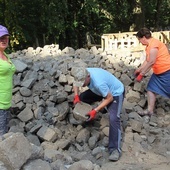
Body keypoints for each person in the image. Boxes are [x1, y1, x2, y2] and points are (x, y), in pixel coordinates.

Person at [71, 67, 125, 161]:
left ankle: (115, 149)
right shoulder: (81, 72)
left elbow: (109, 98)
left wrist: (95, 110)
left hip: (115, 93)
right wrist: (76, 96)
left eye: (83, 83)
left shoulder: (98, 83)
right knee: (82, 97)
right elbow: (76, 83)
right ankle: (87, 118)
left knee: (113, 118)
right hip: (100, 91)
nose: (82, 85)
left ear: (88, 77)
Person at [134, 27, 170, 116]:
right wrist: (139, 69)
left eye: (139, 40)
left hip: (166, 71)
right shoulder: (148, 46)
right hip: (158, 73)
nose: (140, 42)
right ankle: (150, 110)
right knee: (151, 89)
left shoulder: (154, 45)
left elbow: (152, 61)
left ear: (143, 37)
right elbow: (147, 60)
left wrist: (142, 74)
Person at [0, 25, 16, 136]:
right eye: (1, 37)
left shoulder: (5, 55)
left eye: (6, 37)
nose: (4, 40)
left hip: (6, 103)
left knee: (3, 134)